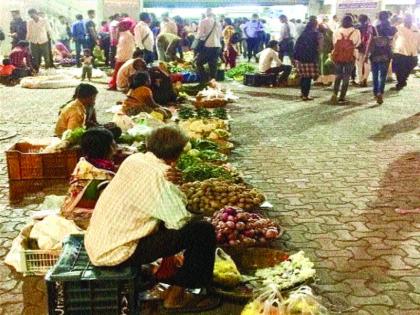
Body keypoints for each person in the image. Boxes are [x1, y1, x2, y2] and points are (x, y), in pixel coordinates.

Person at [85, 125, 218, 312]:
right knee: (203, 231)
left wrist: (172, 180)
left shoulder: (134, 159)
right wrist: (190, 207)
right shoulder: (160, 176)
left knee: (168, 223)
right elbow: (179, 221)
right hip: (118, 252)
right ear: (178, 154)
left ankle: (166, 273)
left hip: (99, 242)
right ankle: (177, 295)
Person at [61, 128, 117, 229]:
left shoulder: (83, 164)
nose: (116, 148)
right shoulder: (103, 176)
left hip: (68, 212)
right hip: (84, 220)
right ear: (107, 148)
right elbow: (110, 206)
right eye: (113, 144)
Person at [366, 11, 396, 104]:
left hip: (375, 54)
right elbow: (393, 44)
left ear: (379, 18)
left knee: (375, 75)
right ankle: (380, 93)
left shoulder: (374, 28)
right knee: (383, 76)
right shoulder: (393, 29)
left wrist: (366, 54)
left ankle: (375, 93)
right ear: (388, 17)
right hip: (386, 54)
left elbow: (369, 42)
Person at [331, 16, 361, 105]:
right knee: (347, 76)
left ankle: (334, 94)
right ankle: (342, 97)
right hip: (350, 55)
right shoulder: (356, 31)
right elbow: (358, 43)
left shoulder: (337, 31)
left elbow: (334, 43)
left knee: (338, 75)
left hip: (338, 55)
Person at [294, 19, 322, 101]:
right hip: (310, 58)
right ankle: (305, 95)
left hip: (300, 58)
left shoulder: (303, 34)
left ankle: (302, 93)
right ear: (315, 25)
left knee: (303, 76)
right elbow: (319, 48)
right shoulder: (316, 34)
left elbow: (296, 46)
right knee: (308, 77)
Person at [391, 14, 420, 92]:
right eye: (406, 19)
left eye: (409, 19)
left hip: (412, 53)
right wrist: (393, 48)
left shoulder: (416, 28)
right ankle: (401, 83)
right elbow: (394, 39)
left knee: (409, 67)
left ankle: (402, 81)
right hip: (400, 52)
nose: (408, 21)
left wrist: (418, 48)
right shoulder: (399, 28)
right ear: (404, 20)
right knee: (398, 69)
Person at [195, 9, 222, 83]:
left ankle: (204, 80)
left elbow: (199, 35)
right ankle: (213, 81)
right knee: (213, 64)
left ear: (205, 14)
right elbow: (220, 35)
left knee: (198, 63)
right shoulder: (218, 23)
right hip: (217, 46)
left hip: (208, 46)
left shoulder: (203, 21)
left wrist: (195, 41)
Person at [109, 20, 135, 90]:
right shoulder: (123, 34)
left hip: (125, 57)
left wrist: (125, 57)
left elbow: (130, 48)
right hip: (121, 56)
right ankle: (115, 84)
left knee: (119, 72)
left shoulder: (128, 35)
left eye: (120, 26)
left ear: (125, 26)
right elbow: (119, 46)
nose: (119, 27)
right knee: (117, 72)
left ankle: (116, 85)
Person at [356, 15, 374, 87]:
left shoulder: (357, 27)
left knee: (359, 65)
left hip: (359, 48)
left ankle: (360, 79)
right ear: (367, 19)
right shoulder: (371, 27)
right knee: (367, 63)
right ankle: (365, 79)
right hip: (368, 49)